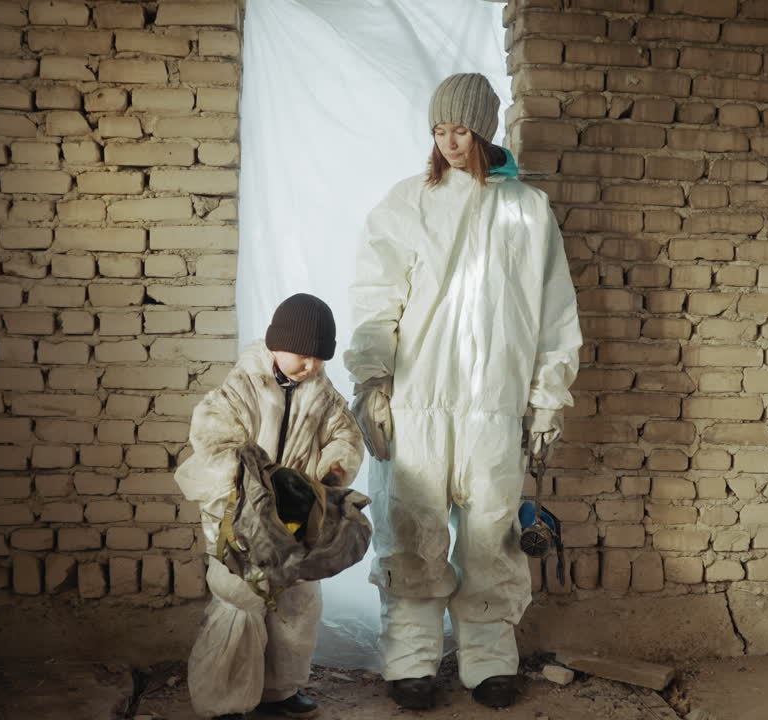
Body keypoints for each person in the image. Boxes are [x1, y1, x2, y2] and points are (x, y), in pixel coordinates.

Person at [345, 72, 582, 710]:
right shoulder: (407, 204)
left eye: (461, 129)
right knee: (414, 530)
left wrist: (548, 397)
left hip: (495, 406)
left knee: (492, 536)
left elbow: (556, 314)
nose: (450, 142)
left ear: (484, 130)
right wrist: (372, 380)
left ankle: (488, 662)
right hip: (417, 403)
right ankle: (411, 662)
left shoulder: (526, 211)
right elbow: (376, 299)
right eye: (439, 130)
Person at [176, 293, 365, 720]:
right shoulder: (241, 389)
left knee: (297, 604)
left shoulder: (323, 394)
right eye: (302, 355)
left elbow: (345, 436)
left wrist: (330, 471)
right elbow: (212, 440)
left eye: (319, 358)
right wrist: (259, 480)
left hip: (298, 518)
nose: (311, 366)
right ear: (276, 344)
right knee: (240, 600)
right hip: (244, 518)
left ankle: (280, 691)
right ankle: (225, 700)